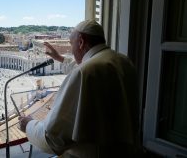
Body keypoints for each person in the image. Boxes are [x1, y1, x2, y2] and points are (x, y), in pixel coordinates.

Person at [18, 20, 141, 157]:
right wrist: (59, 58)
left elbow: (52, 138)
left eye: (71, 44)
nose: (71, 49)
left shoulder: (84, 72)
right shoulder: (124, 61)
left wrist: (28, 125)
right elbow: (86, 66)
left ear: (81, 42)